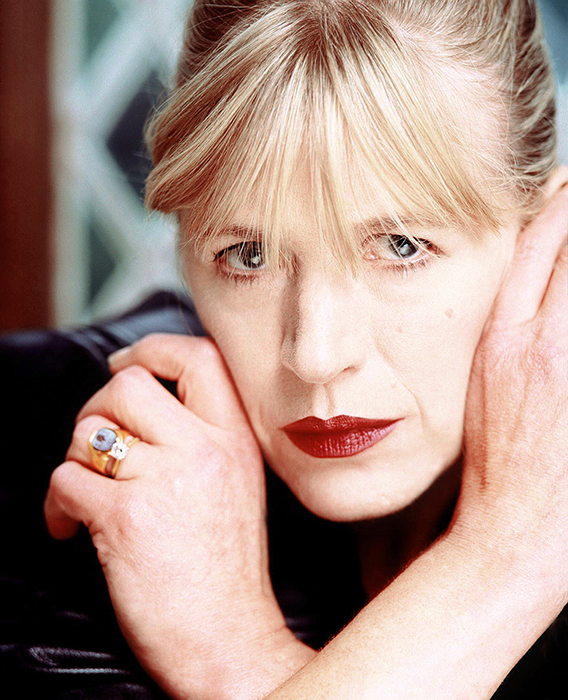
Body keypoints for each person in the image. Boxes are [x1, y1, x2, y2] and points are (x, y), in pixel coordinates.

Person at [40, 0, 567, 698]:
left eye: (401, 246)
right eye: (248, 255)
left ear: (549, 241)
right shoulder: (109, 467)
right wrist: (511, 556)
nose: (315, 356)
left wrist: (236, 657)